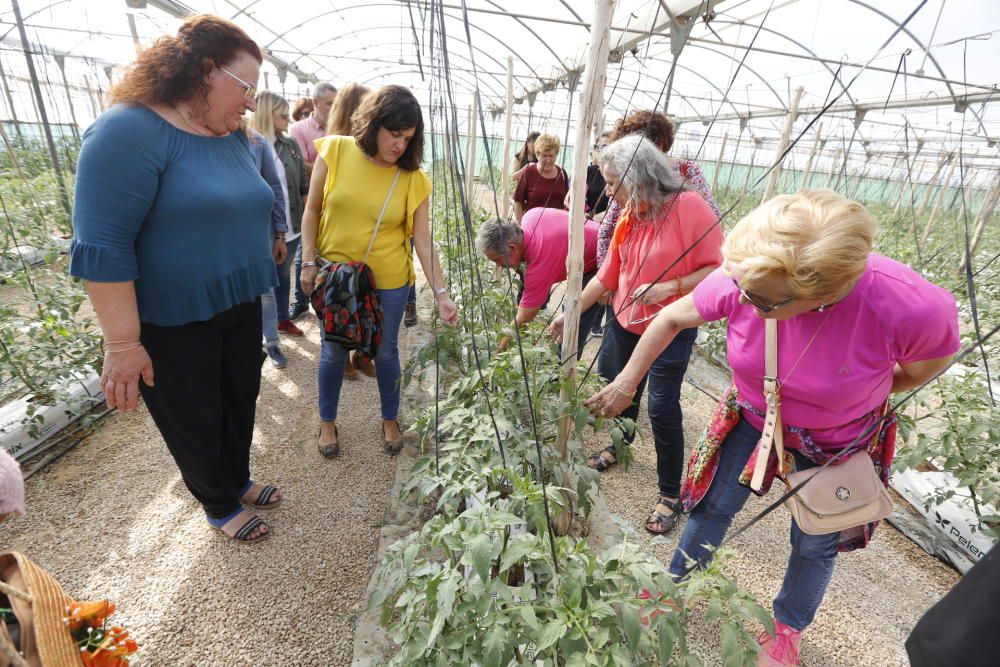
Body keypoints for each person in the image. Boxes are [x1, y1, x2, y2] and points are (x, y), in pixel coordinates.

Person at [585, 189, 959, 666]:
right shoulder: (751, 275)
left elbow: (926, 365)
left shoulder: (910, 306)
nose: (740, 298)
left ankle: (786, 630)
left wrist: (852, 394)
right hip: (753, 413)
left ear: (820, 294)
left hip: (838, 439)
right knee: (712, 506)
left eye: (761, 300)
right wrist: (624, 383)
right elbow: (673, 317)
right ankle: (674, 586)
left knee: (815, 537)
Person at [70, 15, 281, 543]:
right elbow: (104, 244)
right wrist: (122, 343)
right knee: (196, 413)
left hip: (236, 300)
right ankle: (216, 499)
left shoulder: (229, 135)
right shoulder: (128, 131)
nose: (252, 102)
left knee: (241, 397)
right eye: (246, 86)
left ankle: (236, 478)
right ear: (206, 71)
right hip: (173, 317)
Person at [551, 135, 722, 535]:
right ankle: (618, 446)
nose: (608, 192)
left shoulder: (690, 208)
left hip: (670, 327)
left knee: (662, 409)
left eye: (613, 183)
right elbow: (610, 275)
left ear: (640, 176)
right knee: (616, 388)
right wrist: (571, 310)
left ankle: (669, 495)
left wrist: (671, 286)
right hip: (624, 321)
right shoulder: (631, 214)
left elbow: (719, 269)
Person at [300, 85, 458, 460]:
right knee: (333, 351)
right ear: (373, 124)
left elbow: (423, 240)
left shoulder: (412, 178)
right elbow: (311, 211)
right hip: (336, 277)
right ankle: (327, 421)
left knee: (385, 353)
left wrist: (442, 294)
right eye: (393, 134)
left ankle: (390, 418)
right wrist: (307, 260)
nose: (399, 146)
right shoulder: (335, 150)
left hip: (387, 281)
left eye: (408, 138)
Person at [595, 111, 722, 329]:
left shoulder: (686, 185)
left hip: (670, 312)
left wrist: (673, 284)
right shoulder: (628, 199)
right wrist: (607, 277)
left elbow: (711, 228)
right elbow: (609, 229)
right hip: (626, 304)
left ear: (661, 144)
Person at [476, 209, 600, 357]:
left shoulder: (538, 261)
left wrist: (498, 353)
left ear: (512, 247)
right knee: (569, 312)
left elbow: (524, 317)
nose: (498, 265)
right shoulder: (531, 216)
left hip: (606, 257)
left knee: (574, 316)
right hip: (597, 236)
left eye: (497, 260)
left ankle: (562, 368)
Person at [252, 91, 309, 339]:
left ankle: (282, 319)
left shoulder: (290, 145)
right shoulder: (249, 143)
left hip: (291, 222)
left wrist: (309, 217)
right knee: (263, 281)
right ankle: (264, 331)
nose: (288, 117)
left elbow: (303, 183)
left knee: (283, 274)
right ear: (267, 113)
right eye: (282, 113)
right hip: (262, 227)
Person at [245, 122, 289, 368]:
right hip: (224, 239)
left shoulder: (256, 141)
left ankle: (271, 342)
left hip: (260, 233)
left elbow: (274, 187)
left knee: (265, 291)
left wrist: (280, 233)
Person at [513, 133, 569, 221]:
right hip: (533, 227)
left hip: (557, 227)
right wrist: (520, 226)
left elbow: (567, 202)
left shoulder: (562, 174)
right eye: (544, 155)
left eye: (551, 155)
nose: (548, 160)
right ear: (537, 155)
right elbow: (518, 202)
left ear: (556, 155)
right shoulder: (529, 172)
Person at [289, 81, 337, 176]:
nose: (334, 108)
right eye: (329, 104)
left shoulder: (340, 128)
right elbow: (302, 166)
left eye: (336, 104)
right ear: (315, 102)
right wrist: (336, 171)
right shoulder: (298, 129)